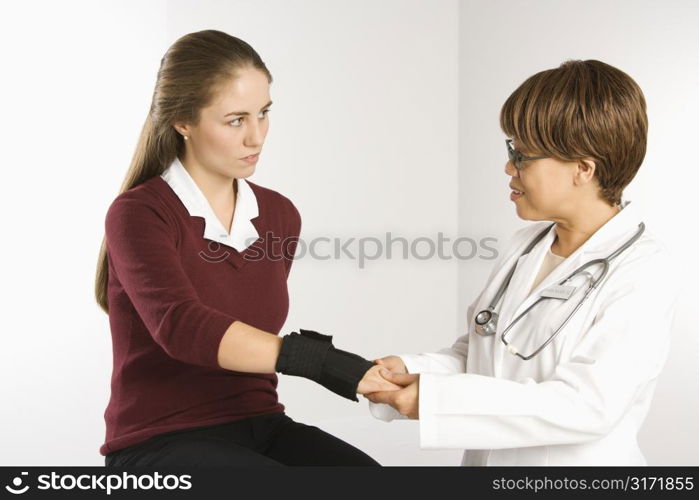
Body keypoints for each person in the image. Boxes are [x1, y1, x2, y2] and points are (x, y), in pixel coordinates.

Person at [94, 29, 399, 467]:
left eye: (264, 113)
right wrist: (327, 364)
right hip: (158, 442)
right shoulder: (140, 213)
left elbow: (247, 331)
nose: (256, 137)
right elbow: (183, 327)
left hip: (260, 425)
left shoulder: (278, 215)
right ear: (183, 121)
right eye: (236, 120)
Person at [363, 59, 678, 466]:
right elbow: (484, 355)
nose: (509, 167)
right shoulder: (526, 247)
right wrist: (409, 370)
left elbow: (588, 406)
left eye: (523, 155)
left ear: (583, 168)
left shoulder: (643, 270)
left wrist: (436, 400)